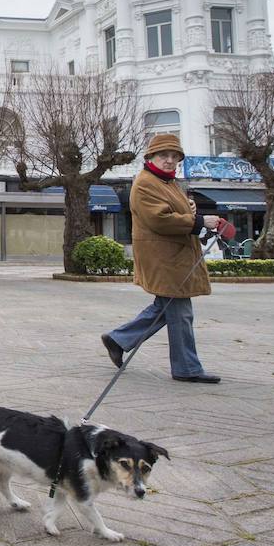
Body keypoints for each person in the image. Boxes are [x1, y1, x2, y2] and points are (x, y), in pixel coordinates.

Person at [100, 133, 222, 383]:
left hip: (173, 256)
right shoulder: (146, 182)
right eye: (163, 156)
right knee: (180, 312)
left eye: (174, 157)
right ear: (151, 157)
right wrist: (199, 220)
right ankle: (186, 368)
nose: (169, 161)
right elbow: (159, 219)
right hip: (165, 258)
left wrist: (190, 211)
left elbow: (172, 212)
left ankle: (118, 339)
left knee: (166, 309)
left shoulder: (167, 182)